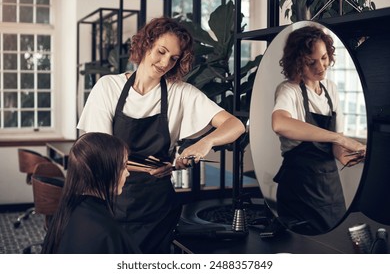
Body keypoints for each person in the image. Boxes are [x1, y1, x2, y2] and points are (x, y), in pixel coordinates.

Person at [77, 17, 245, 253]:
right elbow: (99, 154)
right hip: (110, 204)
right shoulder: (108, 87)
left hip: (156, 212)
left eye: (174, 58)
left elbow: (235, 125)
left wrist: (205, 142)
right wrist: (147, 168)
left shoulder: (180, 93)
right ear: (146, 45)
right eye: (161, 51)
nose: (165, 62)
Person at [272, 25, 366, 235]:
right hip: (299, 188)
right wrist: (340, 139)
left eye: (324, 58)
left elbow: (336, 149)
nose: (321, 67)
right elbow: (280, 124)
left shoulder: (330, 89)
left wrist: (354, 155)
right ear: (297, 63)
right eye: (311, 62)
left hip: (330, 188)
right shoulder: (289, 90)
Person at [41, 132, 140, 254]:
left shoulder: (66, 211)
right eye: (123, 166)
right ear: (104, 171)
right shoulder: (108, 232)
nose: (127, 173)